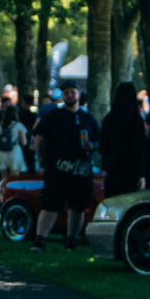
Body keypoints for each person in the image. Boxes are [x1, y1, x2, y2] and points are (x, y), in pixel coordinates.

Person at [30, 79, 100, 252]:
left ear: (78, 94)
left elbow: (100, 140)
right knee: (50, 205)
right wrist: (42, 161)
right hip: (57, 170)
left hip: (81, 170)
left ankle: (71, 241)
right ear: (62, 96)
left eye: (73, 92)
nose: (70, 95)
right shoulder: (53, 116)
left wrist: (92, 146)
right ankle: (40, 240)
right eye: (66, 92)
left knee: (78, 207)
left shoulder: (88, 118)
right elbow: (39, 139)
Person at [100, 81, 146, 198]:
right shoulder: (136, 121)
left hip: (112, 172)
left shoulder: (108, 119)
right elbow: (138, 148)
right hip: (131, 173)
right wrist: (141, 174)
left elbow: (102, 147)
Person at [0, 103, 28, 181]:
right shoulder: (19, 126)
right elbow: (24, 142)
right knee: (14, 177)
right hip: (14, 151)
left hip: (1, 151)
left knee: (4, 178)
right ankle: (13, 192)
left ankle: (4, 192)